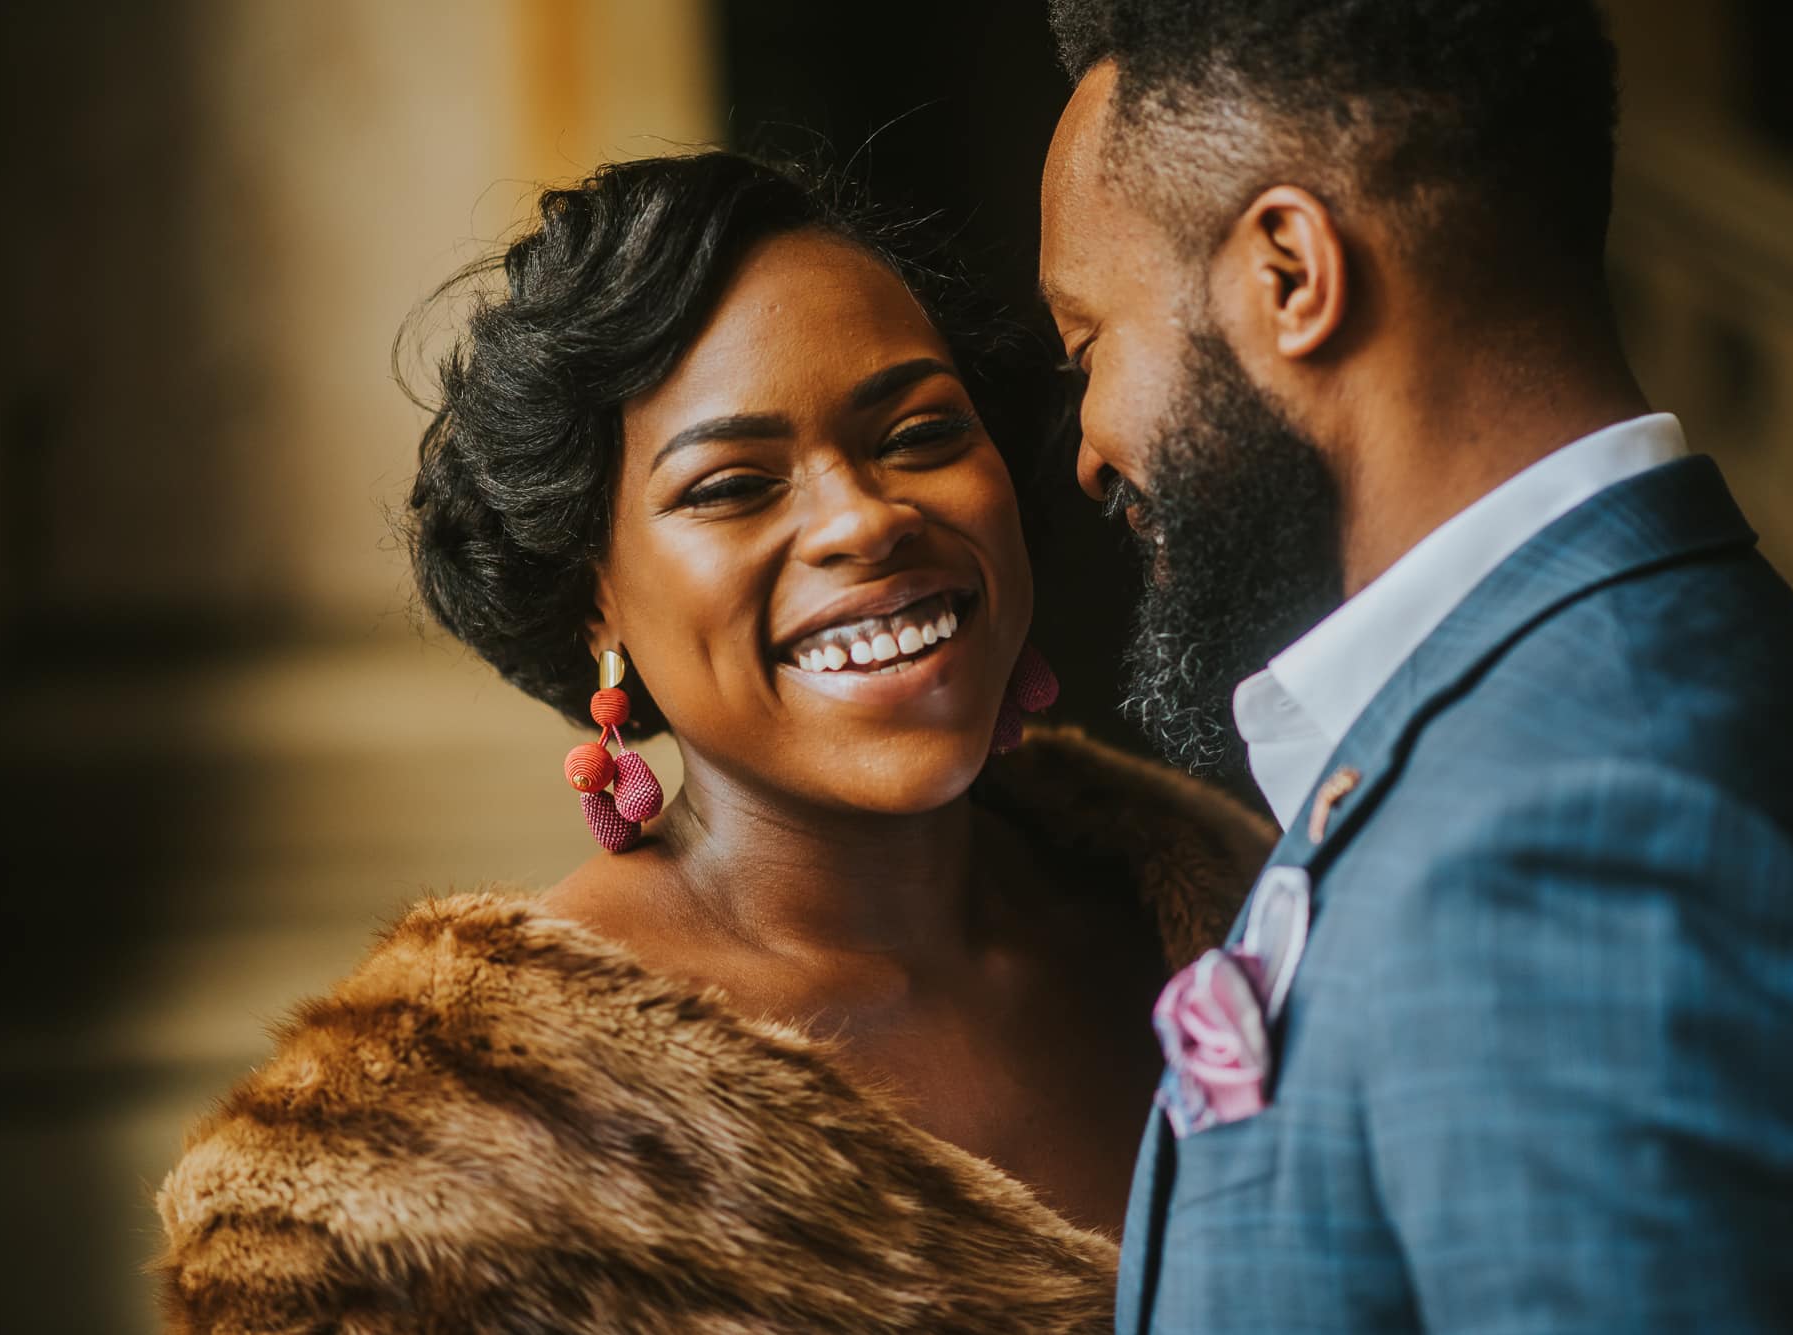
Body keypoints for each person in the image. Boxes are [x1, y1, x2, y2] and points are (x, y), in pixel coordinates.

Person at [152, 150, 1274, 1333]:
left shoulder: (1224, 897)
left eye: (920, 432)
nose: (862, 518)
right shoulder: (416, 1163)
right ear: (595, 601)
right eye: (731, 485)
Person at [1037, 1, 1793, 1331]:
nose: (1089, 447)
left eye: (1087, 343)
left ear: (1289, 275)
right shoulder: (1586, 693)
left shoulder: (1575, 824)